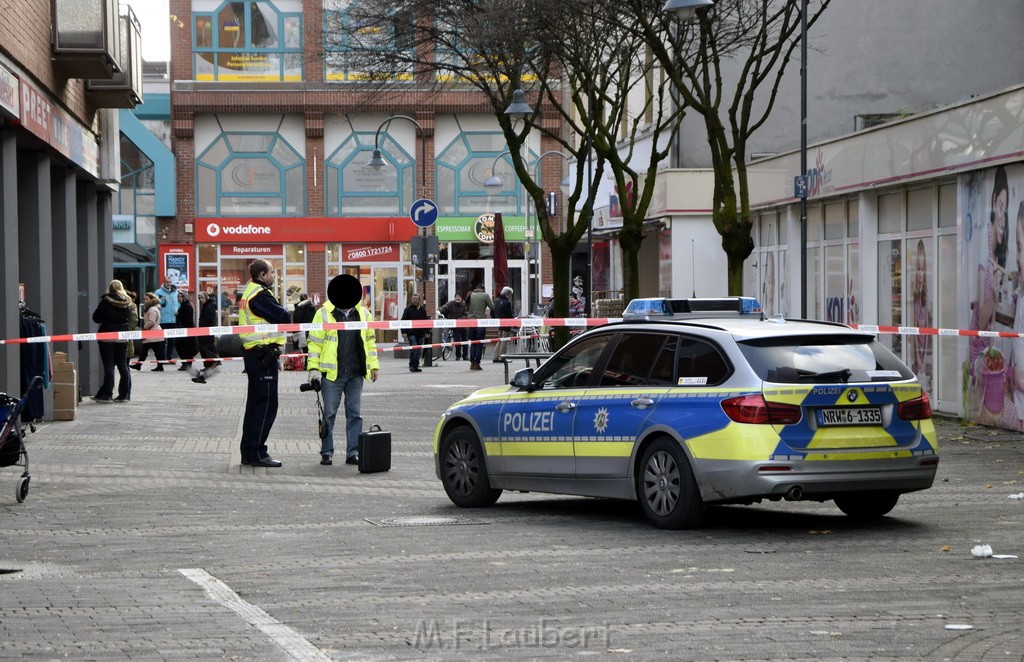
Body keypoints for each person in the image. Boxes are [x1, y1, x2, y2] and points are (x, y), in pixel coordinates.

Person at [307, 274, 380, 466]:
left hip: (356, 373)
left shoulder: (364, 313)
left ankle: (352, 453)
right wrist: (313, 370)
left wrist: (373, 365)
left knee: (354, 415)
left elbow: (370, 342)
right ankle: (326, 452)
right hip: (332, 375)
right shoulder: (323, 313)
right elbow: (314, 344)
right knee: (329, 414)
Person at [237, 259, 291, 467]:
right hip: (262, 356)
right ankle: (258, 453)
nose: (274, 275)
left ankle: (249, 452)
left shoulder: (248, 292)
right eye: (271, 272)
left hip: (255, 355)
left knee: (255, 406)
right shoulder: (259, 295)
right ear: (262, 275)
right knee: (265, 405)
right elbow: (284, 317)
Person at [91, 279, 134, 403]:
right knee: (122, 364)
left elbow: (96, 317)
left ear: (110, 288)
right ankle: (124, 395)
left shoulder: (106, 301)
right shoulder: (127, 301)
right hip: (122, 335)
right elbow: (130, 317)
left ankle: (107, 395)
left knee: (109, 365)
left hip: (107, 335)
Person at [191, 291, 222, 384]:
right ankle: (208, 364)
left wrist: (207, 330)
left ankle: (215, 361)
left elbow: (210, 320)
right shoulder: (206, 306)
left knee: (207, 347)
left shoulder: (209, 306)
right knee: (204, 348)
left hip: (207, 332)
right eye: (199, 298)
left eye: (202, 298)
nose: (201, 300)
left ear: (206, 297)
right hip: (204, 331)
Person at [132, 293, 167, 371]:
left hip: (152, 333)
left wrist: (144, 327)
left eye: (147, 299)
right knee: (154, 351)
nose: (145, 301)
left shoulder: (151, 309)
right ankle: (158, 366)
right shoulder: (154, 308)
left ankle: (139, 365)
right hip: (155, 333)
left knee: (146, 350)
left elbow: (151, 321)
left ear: (152, 299)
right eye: (144, 299)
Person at [466, 283, 494, 371]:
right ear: (483, 289)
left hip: (471, 322)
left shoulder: (470, 295)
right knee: (479, 342)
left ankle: (472, 362)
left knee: (473, 342)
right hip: (481, 322)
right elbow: (492, 307)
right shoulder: (485, 295)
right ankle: (477, 363)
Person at [155, 277, 180, 365]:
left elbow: (179, 303)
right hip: (163, 320)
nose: (168, 283)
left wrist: (178, 310)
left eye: (170, 282)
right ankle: (162, 358)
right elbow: (155, 304)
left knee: (171, 340)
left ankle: (169, 357)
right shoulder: (158, 292)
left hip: (173, 319)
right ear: (164, 282)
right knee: (162, 341)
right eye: (167, 282)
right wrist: (161, 301)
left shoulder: (175, 292)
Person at [400, 293, 428, 372]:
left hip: (420, 333)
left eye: (416, 299)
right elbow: (403, 321)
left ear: (419, 300)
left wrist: (427, 330)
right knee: (414, 348)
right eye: (413, 299)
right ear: (411, 300)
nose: (415, 300)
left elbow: (425, 321)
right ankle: (411, 365)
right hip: (411, 333)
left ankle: (416, 366)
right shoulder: (408, 310)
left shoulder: (422, 310)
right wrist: (403, 332)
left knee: (419, 351)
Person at [437, 293, 469, 360]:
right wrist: (439, 311)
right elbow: (444, 308)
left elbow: (466, 315)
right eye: (456, 297)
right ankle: (457, 356)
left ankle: (465, 356)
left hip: (463, 326)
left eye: (459, 297)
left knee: (465, 342)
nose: (458, 298)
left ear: (461, 298)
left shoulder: (464, 305)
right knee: (458, 341)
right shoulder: (450, 304)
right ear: (454, 298)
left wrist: (459, 320)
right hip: (455, 326)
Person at [175, 290, 200, 372]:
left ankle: (187, 364)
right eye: (178, 297)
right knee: (181, 346)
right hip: (182, 330)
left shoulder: (187, 306)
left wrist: (178, 314)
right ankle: (185, 363)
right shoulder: (182, 306)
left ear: (184, 297)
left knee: (185, 347)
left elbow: (186, 318)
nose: (179, 298)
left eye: (181, 297)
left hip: (187, 330)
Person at [492, 286, 515, 363]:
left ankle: (495, 357)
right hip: (506, 324)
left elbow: (492, 312)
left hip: (499, 323)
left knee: (499, 340)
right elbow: (509, 315)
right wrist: (513, 320)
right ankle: (502, 357)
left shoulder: (496, 301)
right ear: (507, 294)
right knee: (504, 341)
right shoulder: (507, 303)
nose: (510, 296)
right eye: (510, 295)